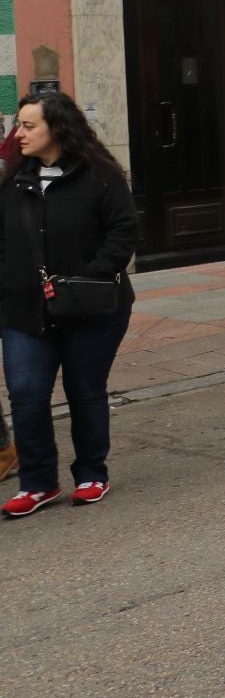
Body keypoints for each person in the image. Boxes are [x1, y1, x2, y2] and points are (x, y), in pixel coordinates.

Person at [0, 93, 137, 515]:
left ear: (56, 129)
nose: (17, 133)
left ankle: (91, 472)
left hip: (90, 307)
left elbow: (123, 230)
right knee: (25, 394)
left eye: (27, 125)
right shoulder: (13, 179)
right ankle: (38, 483)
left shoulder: (100, 176)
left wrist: (89, 275)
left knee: (85, 391)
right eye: (17, 125)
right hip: (24, 309)